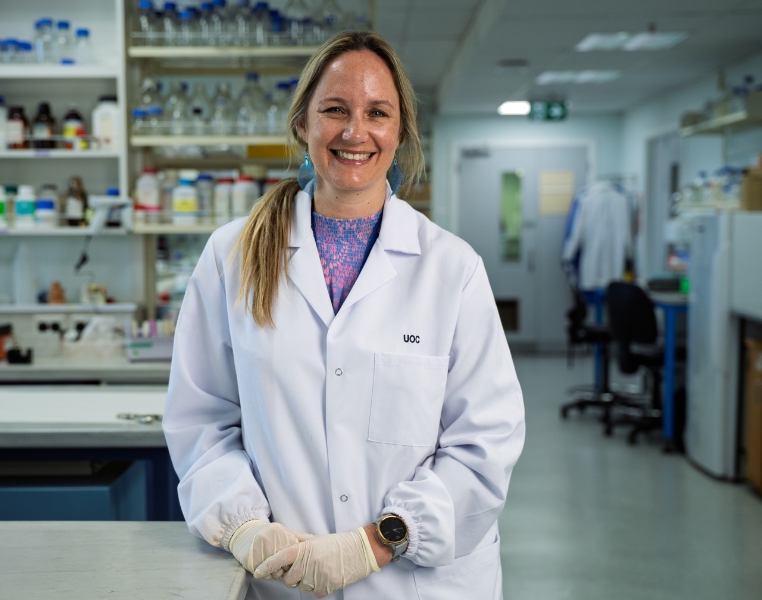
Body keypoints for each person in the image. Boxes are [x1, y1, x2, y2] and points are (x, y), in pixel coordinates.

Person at [163, 30, 525, 600]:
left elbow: (485, 443)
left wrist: (378, 541)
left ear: (399, 133)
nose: (355, 132)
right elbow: (200, 420)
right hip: (282, 577)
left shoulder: (452, 269)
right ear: (302, 125)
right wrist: (245, 527)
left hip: (418, 583)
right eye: (334, 109)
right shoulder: (231, 257)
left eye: (377, 112)